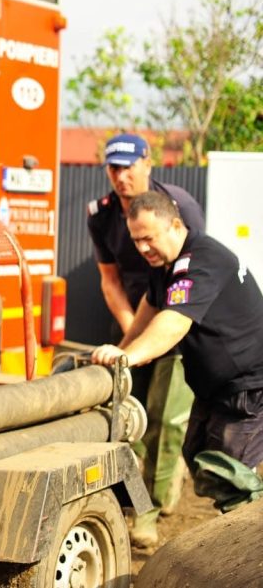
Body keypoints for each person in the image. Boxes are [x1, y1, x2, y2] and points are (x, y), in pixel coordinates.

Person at [91, 191, 263, 514]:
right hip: (214, 389)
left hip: (248, 388)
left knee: (232, 478)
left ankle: (249, 536)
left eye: (148, 238)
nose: (142, 248)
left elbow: (173, 323)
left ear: (174, 225)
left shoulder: (202, 260)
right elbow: (151, 306)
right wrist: (122, 350)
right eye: (136, 240)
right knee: (197, 456)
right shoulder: (166, 264)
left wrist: (128, 358)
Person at [86, 132, 201, 547]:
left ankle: (148, 511)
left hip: (173, 321)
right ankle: (138, 494)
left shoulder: (177, 205)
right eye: (114, 168)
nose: (121, 176)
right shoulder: (101, 215)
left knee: (165, 420)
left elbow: (190, 270)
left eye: (129, 166)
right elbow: (109, 280)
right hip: (131, 324)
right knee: (127, 416)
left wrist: (154, 336)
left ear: (148, 163)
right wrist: (131, 333)